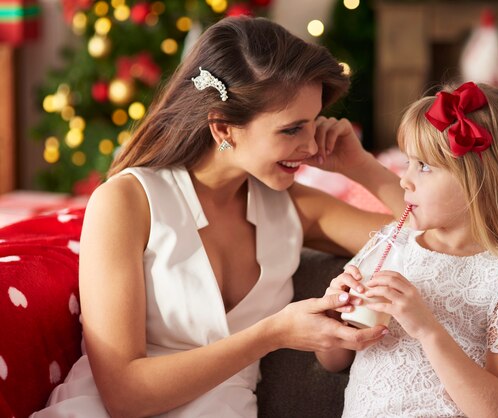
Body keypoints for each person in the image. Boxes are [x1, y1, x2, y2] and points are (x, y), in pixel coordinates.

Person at [33, 17, 405, 417]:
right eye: (292, 129)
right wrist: (272, 334)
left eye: (314, 124)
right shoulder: (127, 202)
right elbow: (124, 395)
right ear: (224, 128)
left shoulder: (294, 207)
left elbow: (435, 238)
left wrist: (362, 166)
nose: (312, 144)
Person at [317, 82, 498, 417]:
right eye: (408, 162)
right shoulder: (388, 244)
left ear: (480, 179)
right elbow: (333, 360)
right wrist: (336, 313)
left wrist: (427, 329)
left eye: (423, 166)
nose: (404, 180)